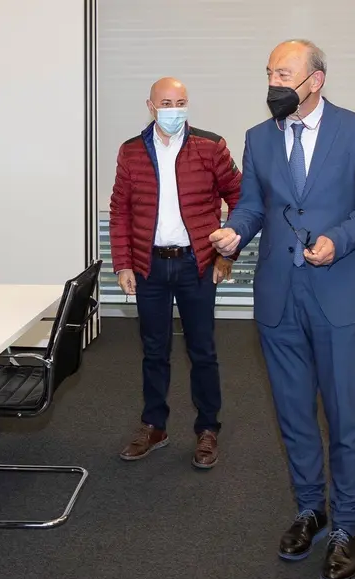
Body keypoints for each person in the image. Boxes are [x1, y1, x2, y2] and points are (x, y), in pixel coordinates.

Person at [211, 40, 355, 579]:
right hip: (277, 297)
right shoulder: (258, 139)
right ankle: (311, 511)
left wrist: (339, 241)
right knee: (293, 415)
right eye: (268, 71)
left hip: (334, 294)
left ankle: (347, 526)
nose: (273, 81)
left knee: (343, 415)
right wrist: (235, 232)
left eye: (283, 72)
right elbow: (251, 205)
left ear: (315, 80)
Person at [109, 76, 242, 469]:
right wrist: (123, 263)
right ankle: (154, 425)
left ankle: (207, 429)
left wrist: (226, 255)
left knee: (202, 350)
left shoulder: (210, 146)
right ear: (150, 106)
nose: (174, 110)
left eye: (180, 102)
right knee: (154, 351)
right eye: (166, 103)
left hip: (197, 263)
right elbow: (120, 210)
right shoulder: (131, 152)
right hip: (149, 265)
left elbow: (239, 197)